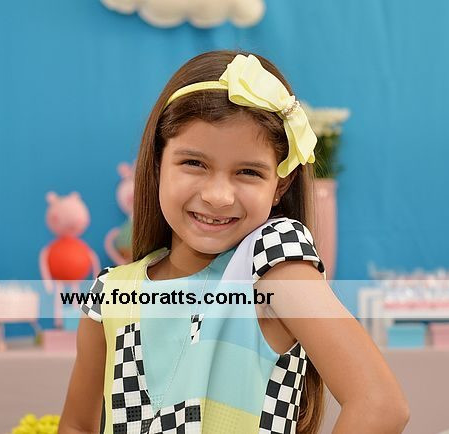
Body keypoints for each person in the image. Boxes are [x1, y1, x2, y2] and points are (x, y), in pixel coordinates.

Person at [58, 50, 409, 434]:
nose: (218, 196)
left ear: (280, 185)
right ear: (157, 163)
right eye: (194, 163)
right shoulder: (109, 293)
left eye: (248, 172)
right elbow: (76, 426)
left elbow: (380, 404)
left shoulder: (272, 259)